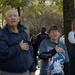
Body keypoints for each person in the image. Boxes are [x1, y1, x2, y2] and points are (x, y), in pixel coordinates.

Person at [0, 8, 36, 75]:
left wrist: (32, 70)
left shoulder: (24, 33)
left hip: (26, 72)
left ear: (18, 19)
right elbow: (2, 54)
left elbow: (31, 52)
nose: (13, 18)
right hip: (8, 72)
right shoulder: (2, 34)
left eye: (15, 16)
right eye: (10, 16)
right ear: (6, 19)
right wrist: (18, 47)